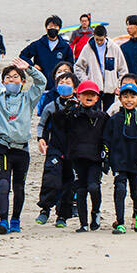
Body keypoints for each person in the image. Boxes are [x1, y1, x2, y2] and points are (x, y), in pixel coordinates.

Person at [0, 53, 47, 235]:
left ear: (22, 81)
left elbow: (41, 83)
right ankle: (3, 220)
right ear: (3, 82)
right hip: (4, 148)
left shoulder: (28, 98)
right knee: (4, 184)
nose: (11, 80)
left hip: (22, 149)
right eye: (7, 78)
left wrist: (28, 69)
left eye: (15, 77)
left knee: (19, 186)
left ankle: (15, 219)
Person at [53, 80, 108, 233]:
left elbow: (107, 138)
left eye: (92, 94)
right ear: (78, 96)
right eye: (85, 94)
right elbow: (57, 124)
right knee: (81, 190)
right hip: (77, 158)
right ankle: (83, 223)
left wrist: (106, 158)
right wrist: (66, 110)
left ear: (97, 98)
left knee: (93, 187)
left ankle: (95, 212)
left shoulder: (102, 117)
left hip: (95, 159)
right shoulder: (73, 115)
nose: (88, 97)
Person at [106, 82, 137, 234]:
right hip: (119, 161)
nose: (129, 100)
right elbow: (106, 140)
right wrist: (106, 158)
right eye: (125, 97)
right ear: (120, 99)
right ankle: (120, 222)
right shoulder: (114, 120)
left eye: (132, 97)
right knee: (120, 190)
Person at [34, 72, 80, 226]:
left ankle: (62, 216)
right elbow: (42, 125)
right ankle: (45, 209)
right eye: (61, 82)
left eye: (68, 83)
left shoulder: (79, 107)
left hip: (72, 151)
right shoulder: (51, 106)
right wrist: (41, 139)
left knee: (69, 183)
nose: (64, 85)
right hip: (55, 147)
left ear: (75, 89)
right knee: (51, 178)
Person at [74, 24, 129, 111]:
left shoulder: (114, 48)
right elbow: (78, 67)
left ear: (105, 37)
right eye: (97, 40)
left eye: (101, 40)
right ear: (93, 36)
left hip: (110, 89)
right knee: (94, 113)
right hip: (94, 88)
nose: (99, 42)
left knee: (109, 113)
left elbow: (123, 69)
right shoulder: (88, 48)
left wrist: (118, 85)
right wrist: (86, 81)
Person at [19, 15, 73, 91]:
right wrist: (32, 66)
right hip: (41, 83)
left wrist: (64, 72)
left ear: (59, 29)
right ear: (46, 28)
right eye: (50, 26)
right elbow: (23, 55)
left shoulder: (65, 47)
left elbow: (70, 64)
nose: (53, 29)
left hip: (59, 84)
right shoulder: (38, 44)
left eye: (55, 27)